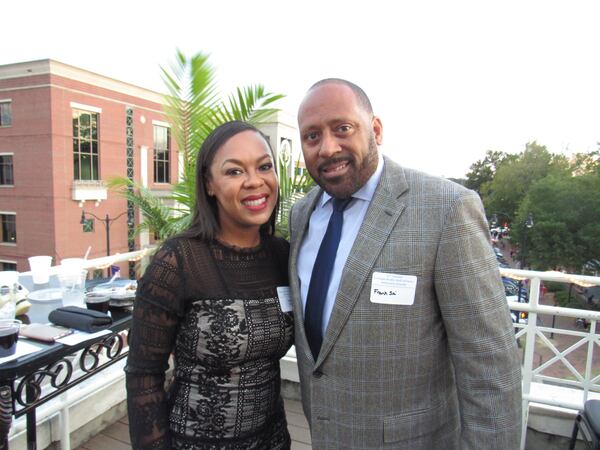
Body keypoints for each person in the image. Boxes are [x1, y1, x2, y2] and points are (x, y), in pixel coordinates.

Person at [288, 79, 522, 449]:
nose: (328, 148)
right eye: (312, 136)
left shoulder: (445, 209)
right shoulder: (301, 215)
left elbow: (488, 365)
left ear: (375, 130)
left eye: (342, 128)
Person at [125, 121, 293, 449]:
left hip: (272, 440)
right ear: (209, 184)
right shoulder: (177, 262)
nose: (255, 181)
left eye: (264, 166)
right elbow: (144, 375)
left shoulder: (282, 256)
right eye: (234, 172)